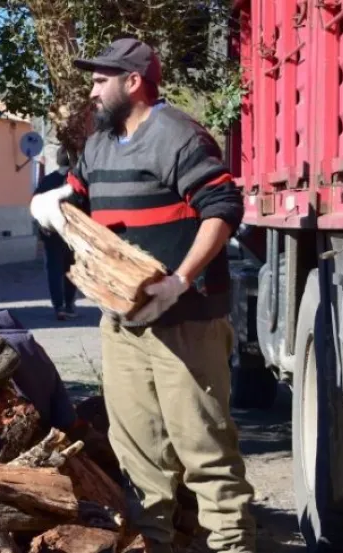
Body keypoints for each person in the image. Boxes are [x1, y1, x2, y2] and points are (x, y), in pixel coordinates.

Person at [29, 38, 256, 553]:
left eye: (100, 80)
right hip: (122, 325)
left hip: (186, 322)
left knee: (206, 454)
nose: (92, 90)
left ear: (133, 82)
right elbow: (81, 198)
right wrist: (56, 204)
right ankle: (156, 545)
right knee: (139, 459)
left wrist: (180, 280)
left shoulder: (179, 136)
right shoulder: (99, 144)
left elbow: (222, 207)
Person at [33, 146, 79, 320]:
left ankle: (58, 306)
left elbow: (36, 204)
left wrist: (42, 226)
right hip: (72, 233)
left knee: (54, 270)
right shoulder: (76, 180)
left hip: (51, 233)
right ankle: (69, 305)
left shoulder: (47, 180)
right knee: (71, 269)